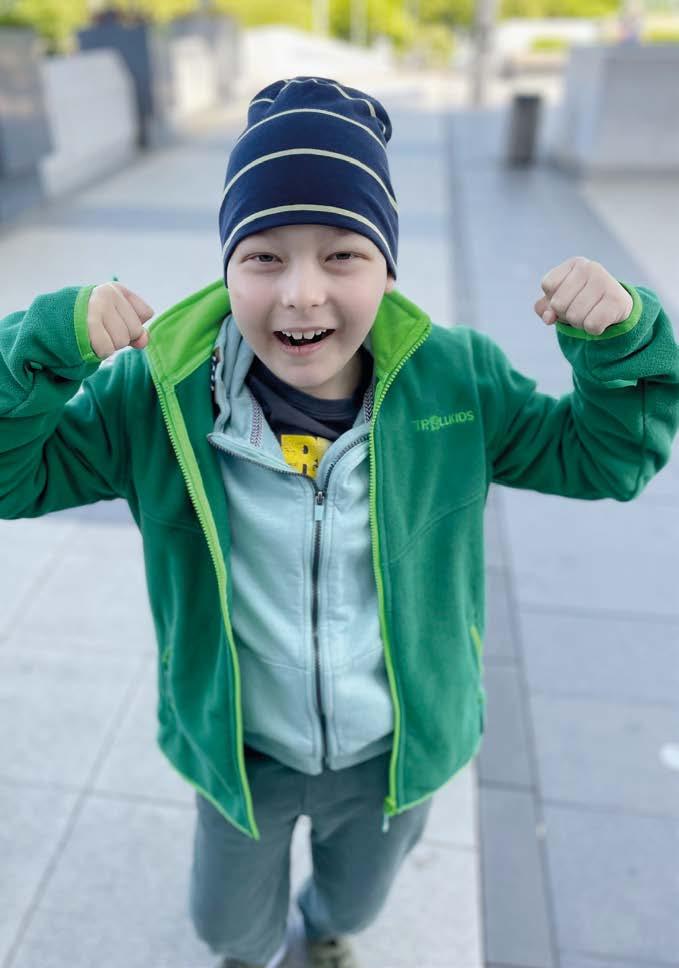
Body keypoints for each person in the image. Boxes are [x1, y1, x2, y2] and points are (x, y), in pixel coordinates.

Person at [1, 75, 678, 968]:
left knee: (354, 900)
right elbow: (13, 477)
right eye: (263, 256)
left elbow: (604, 459)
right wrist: (43, 347)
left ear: (387, 268)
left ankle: (322, 931)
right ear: (226, 266)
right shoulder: (154, 399)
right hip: (243, 750)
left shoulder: (457, 381)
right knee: (227, 926)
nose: (301, 293)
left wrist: (621, 343)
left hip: (391, 748)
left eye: (343, 254)